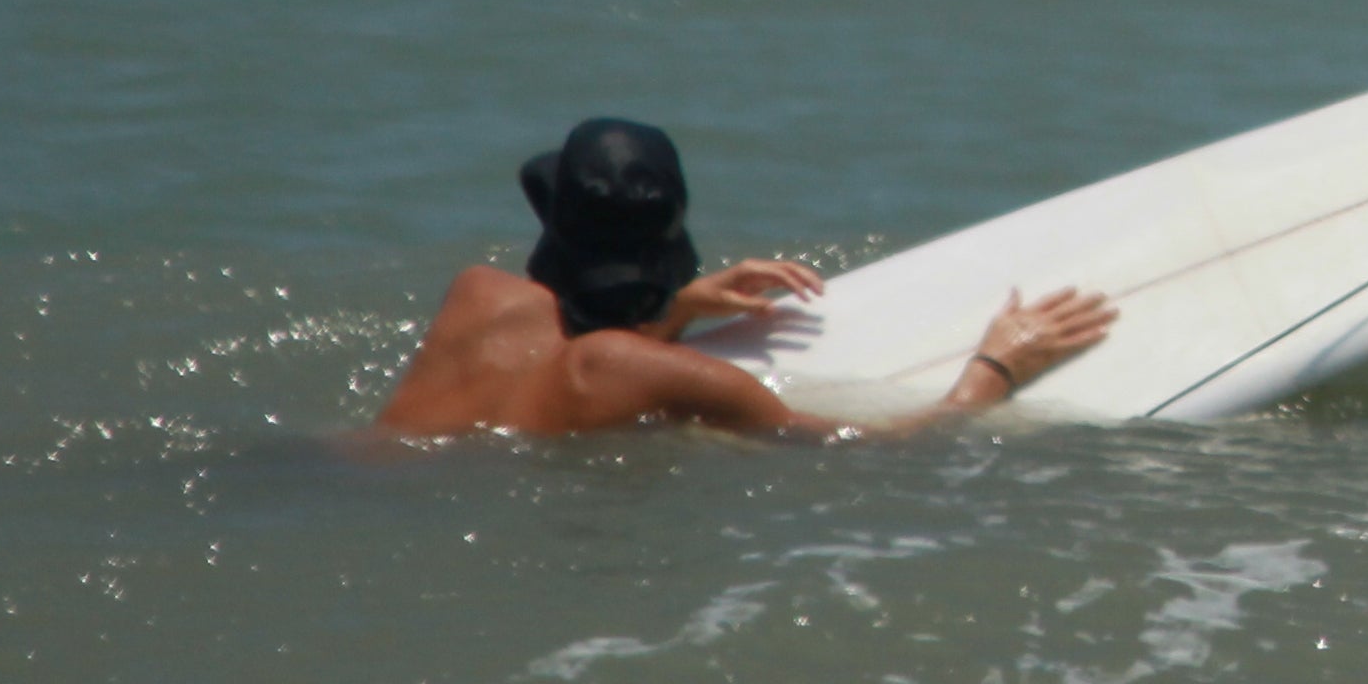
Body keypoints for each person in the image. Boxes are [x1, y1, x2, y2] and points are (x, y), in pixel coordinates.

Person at [373, 115, 1114, 442]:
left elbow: (561, 355)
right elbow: (860, 449)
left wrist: (673, 306)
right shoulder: (649, 371)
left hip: (345, 473)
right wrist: (990, 373)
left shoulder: (476, 293)